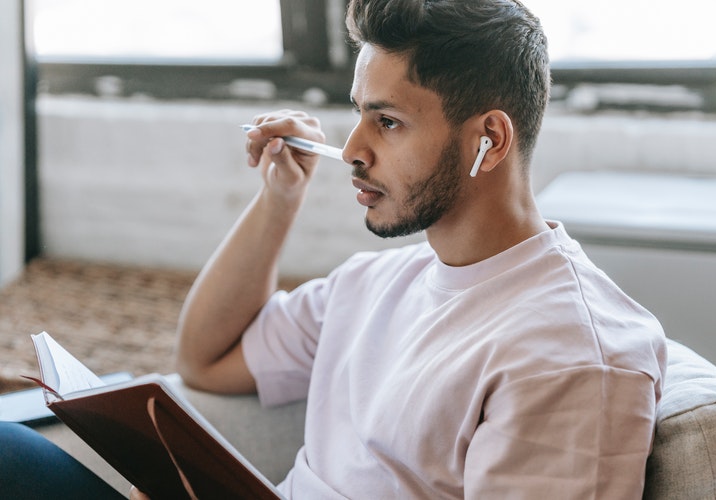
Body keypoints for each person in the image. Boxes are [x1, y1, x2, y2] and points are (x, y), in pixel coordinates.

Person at [1, 0, 666, 498]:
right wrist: (278, 201)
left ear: (488, 139)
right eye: (358, 113)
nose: (351, 150)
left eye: (388, 121)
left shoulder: (571, 357)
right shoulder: (378, 284)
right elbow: (205, 361)